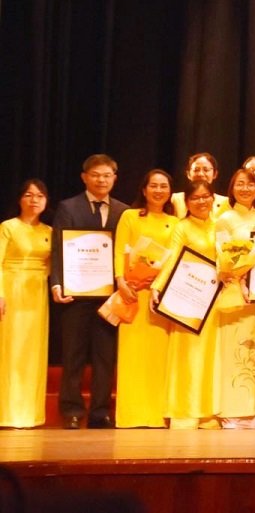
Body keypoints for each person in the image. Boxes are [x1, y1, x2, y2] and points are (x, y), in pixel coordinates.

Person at [50, 154, 129, 429]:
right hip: (76, 295)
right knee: (73, 356)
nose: (101, 180)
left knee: (105, 358)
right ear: (84, 177)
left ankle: (99, 412)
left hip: (110, 297)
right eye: (95, 175)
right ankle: (72, 411)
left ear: (114, 178)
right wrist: (57, 283)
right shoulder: (68, 207)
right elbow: (58, 248)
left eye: (107, 175)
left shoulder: (124, 211)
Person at [112, 170, 178, 428]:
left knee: (158, 358)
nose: (158, 191)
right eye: (153, 186)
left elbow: (175, 258)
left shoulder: (175, 222)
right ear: (144, 189)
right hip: (133, 294)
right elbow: (120, 250)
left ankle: (156, 416)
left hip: (160, 297)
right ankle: (130, 416)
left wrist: (160, 285)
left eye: (164, 186)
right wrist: (120, 281)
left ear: (170, 192)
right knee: (133, 356)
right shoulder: (130, 216)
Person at [152, 179, 220, 429]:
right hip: (186, 300)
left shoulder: (220, 225)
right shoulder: (182, 227)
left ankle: (208, 414)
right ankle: (184, 412)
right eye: (195, 198)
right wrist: (158, 286)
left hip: (214, 301)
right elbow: (170, 259)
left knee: (210, 357)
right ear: (186, 202)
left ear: (213, 198)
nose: (201, 202)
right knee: (187, 355)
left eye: (205, 196)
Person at [213, 168, 255, 427]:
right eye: (240, 184)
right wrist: (239, 279)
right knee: (235, 350)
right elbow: (221, 258)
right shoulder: (225, 219)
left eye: (251, 184)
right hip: (236, 293)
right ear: (232, 189)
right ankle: (233, 411)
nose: (245, 189)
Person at [0, 180, 52, 428]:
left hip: (37, 294)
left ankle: (29, 414)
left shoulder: (50, 231)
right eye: (29, 195)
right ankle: (6, 413)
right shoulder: (8, 227)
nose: (34, 200)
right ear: (20, 199)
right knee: (9, 350)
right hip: (10, 291)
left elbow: (52, 267)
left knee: (33, 352)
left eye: (40, 195)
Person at [170, 153, 230, 217]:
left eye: (206, 170)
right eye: (196, 170)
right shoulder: (176, 199)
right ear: (188, 174)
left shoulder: (225, 202)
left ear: (215, 174)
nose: (201, 174)